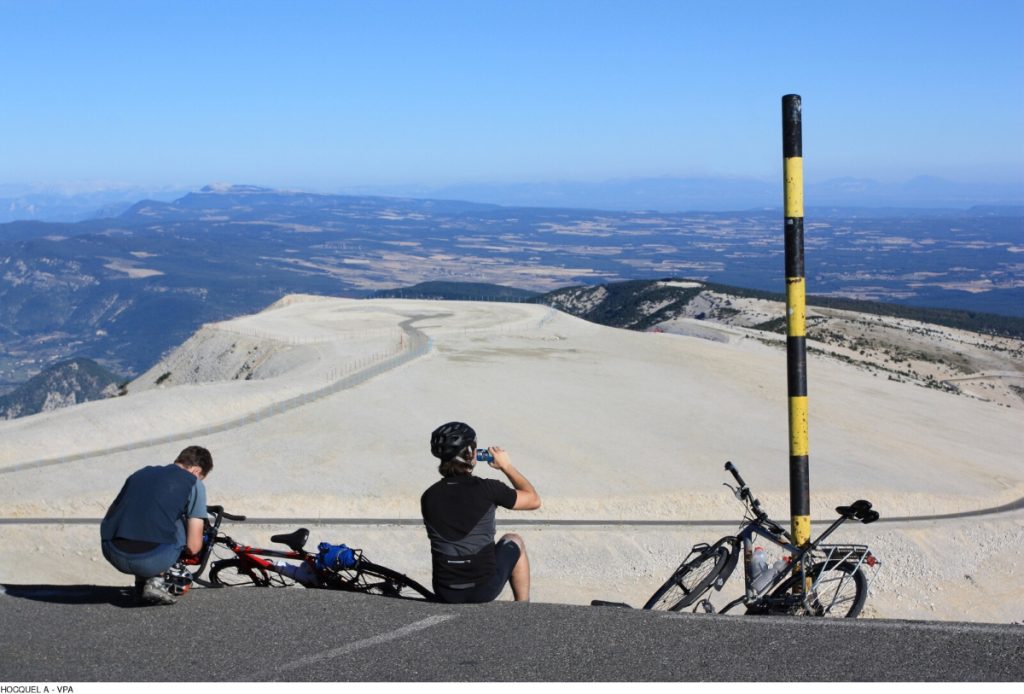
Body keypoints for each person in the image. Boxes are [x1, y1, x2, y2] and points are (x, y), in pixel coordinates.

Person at [421, 422, 541, 603]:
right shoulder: (488, 489)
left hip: (445, 590)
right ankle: (523, 609)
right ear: (470, 453)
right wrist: (506, 466)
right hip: (484, 589)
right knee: (514, 539)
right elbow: (534, 500)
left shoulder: (428, 496)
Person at [100, 445, 213, 605]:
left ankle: (141, 587)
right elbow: (193, 546)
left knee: (147, 517)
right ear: (196, 471)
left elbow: (111, 514)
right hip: (150, 560)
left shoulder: (140, 474)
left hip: (112, 551)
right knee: (176, 522)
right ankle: (156, 581)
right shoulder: (193, 483)